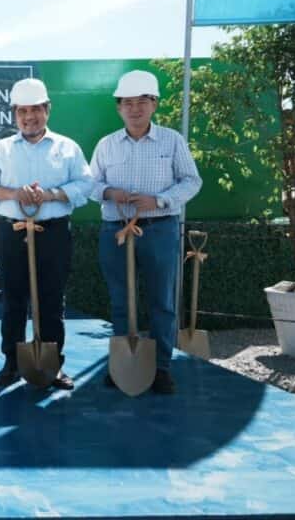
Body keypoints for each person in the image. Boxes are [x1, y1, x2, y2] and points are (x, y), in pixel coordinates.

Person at [90, 70, 201, 394]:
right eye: (127, 103)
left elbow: (191, 181)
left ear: (154, 105)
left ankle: (162, 367)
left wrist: (160, 200)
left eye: (142, 101)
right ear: (118, 108)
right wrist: (111, 193)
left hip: (160, 229)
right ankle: (123, 364)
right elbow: (90, 184)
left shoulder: (172, 141)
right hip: (115, 231)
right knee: (121, 300)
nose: (135, 108)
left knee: (162, 301)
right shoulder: (106, 145)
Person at [0, 78, 93, 390]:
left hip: (53, 233)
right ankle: (12, 362)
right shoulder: (0, 149)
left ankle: (52, 365)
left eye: (36, 110)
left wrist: (52, 194)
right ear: (15, 114)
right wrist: (16, 194)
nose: (30, 117)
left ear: (47, 110)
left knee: (52, 298)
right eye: (23, 111)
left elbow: (86, 185)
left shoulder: (67, 148)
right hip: (12, 233)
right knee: (13, 299)